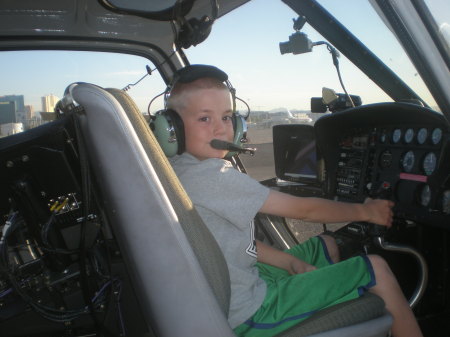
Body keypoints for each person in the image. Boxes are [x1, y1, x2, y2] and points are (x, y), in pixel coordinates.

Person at [162, 64, 423, 337]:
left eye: (227, 117)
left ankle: (328, 304)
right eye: (204, 119)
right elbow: (305, 210)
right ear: (173, 128)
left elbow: (230, 241)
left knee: (327, 244)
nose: (220, 129)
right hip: (250, 313)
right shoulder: (212, 176)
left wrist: (290, 263)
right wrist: (367, 211)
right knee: (377, 269)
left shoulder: (179, 167)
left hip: (235, 288)